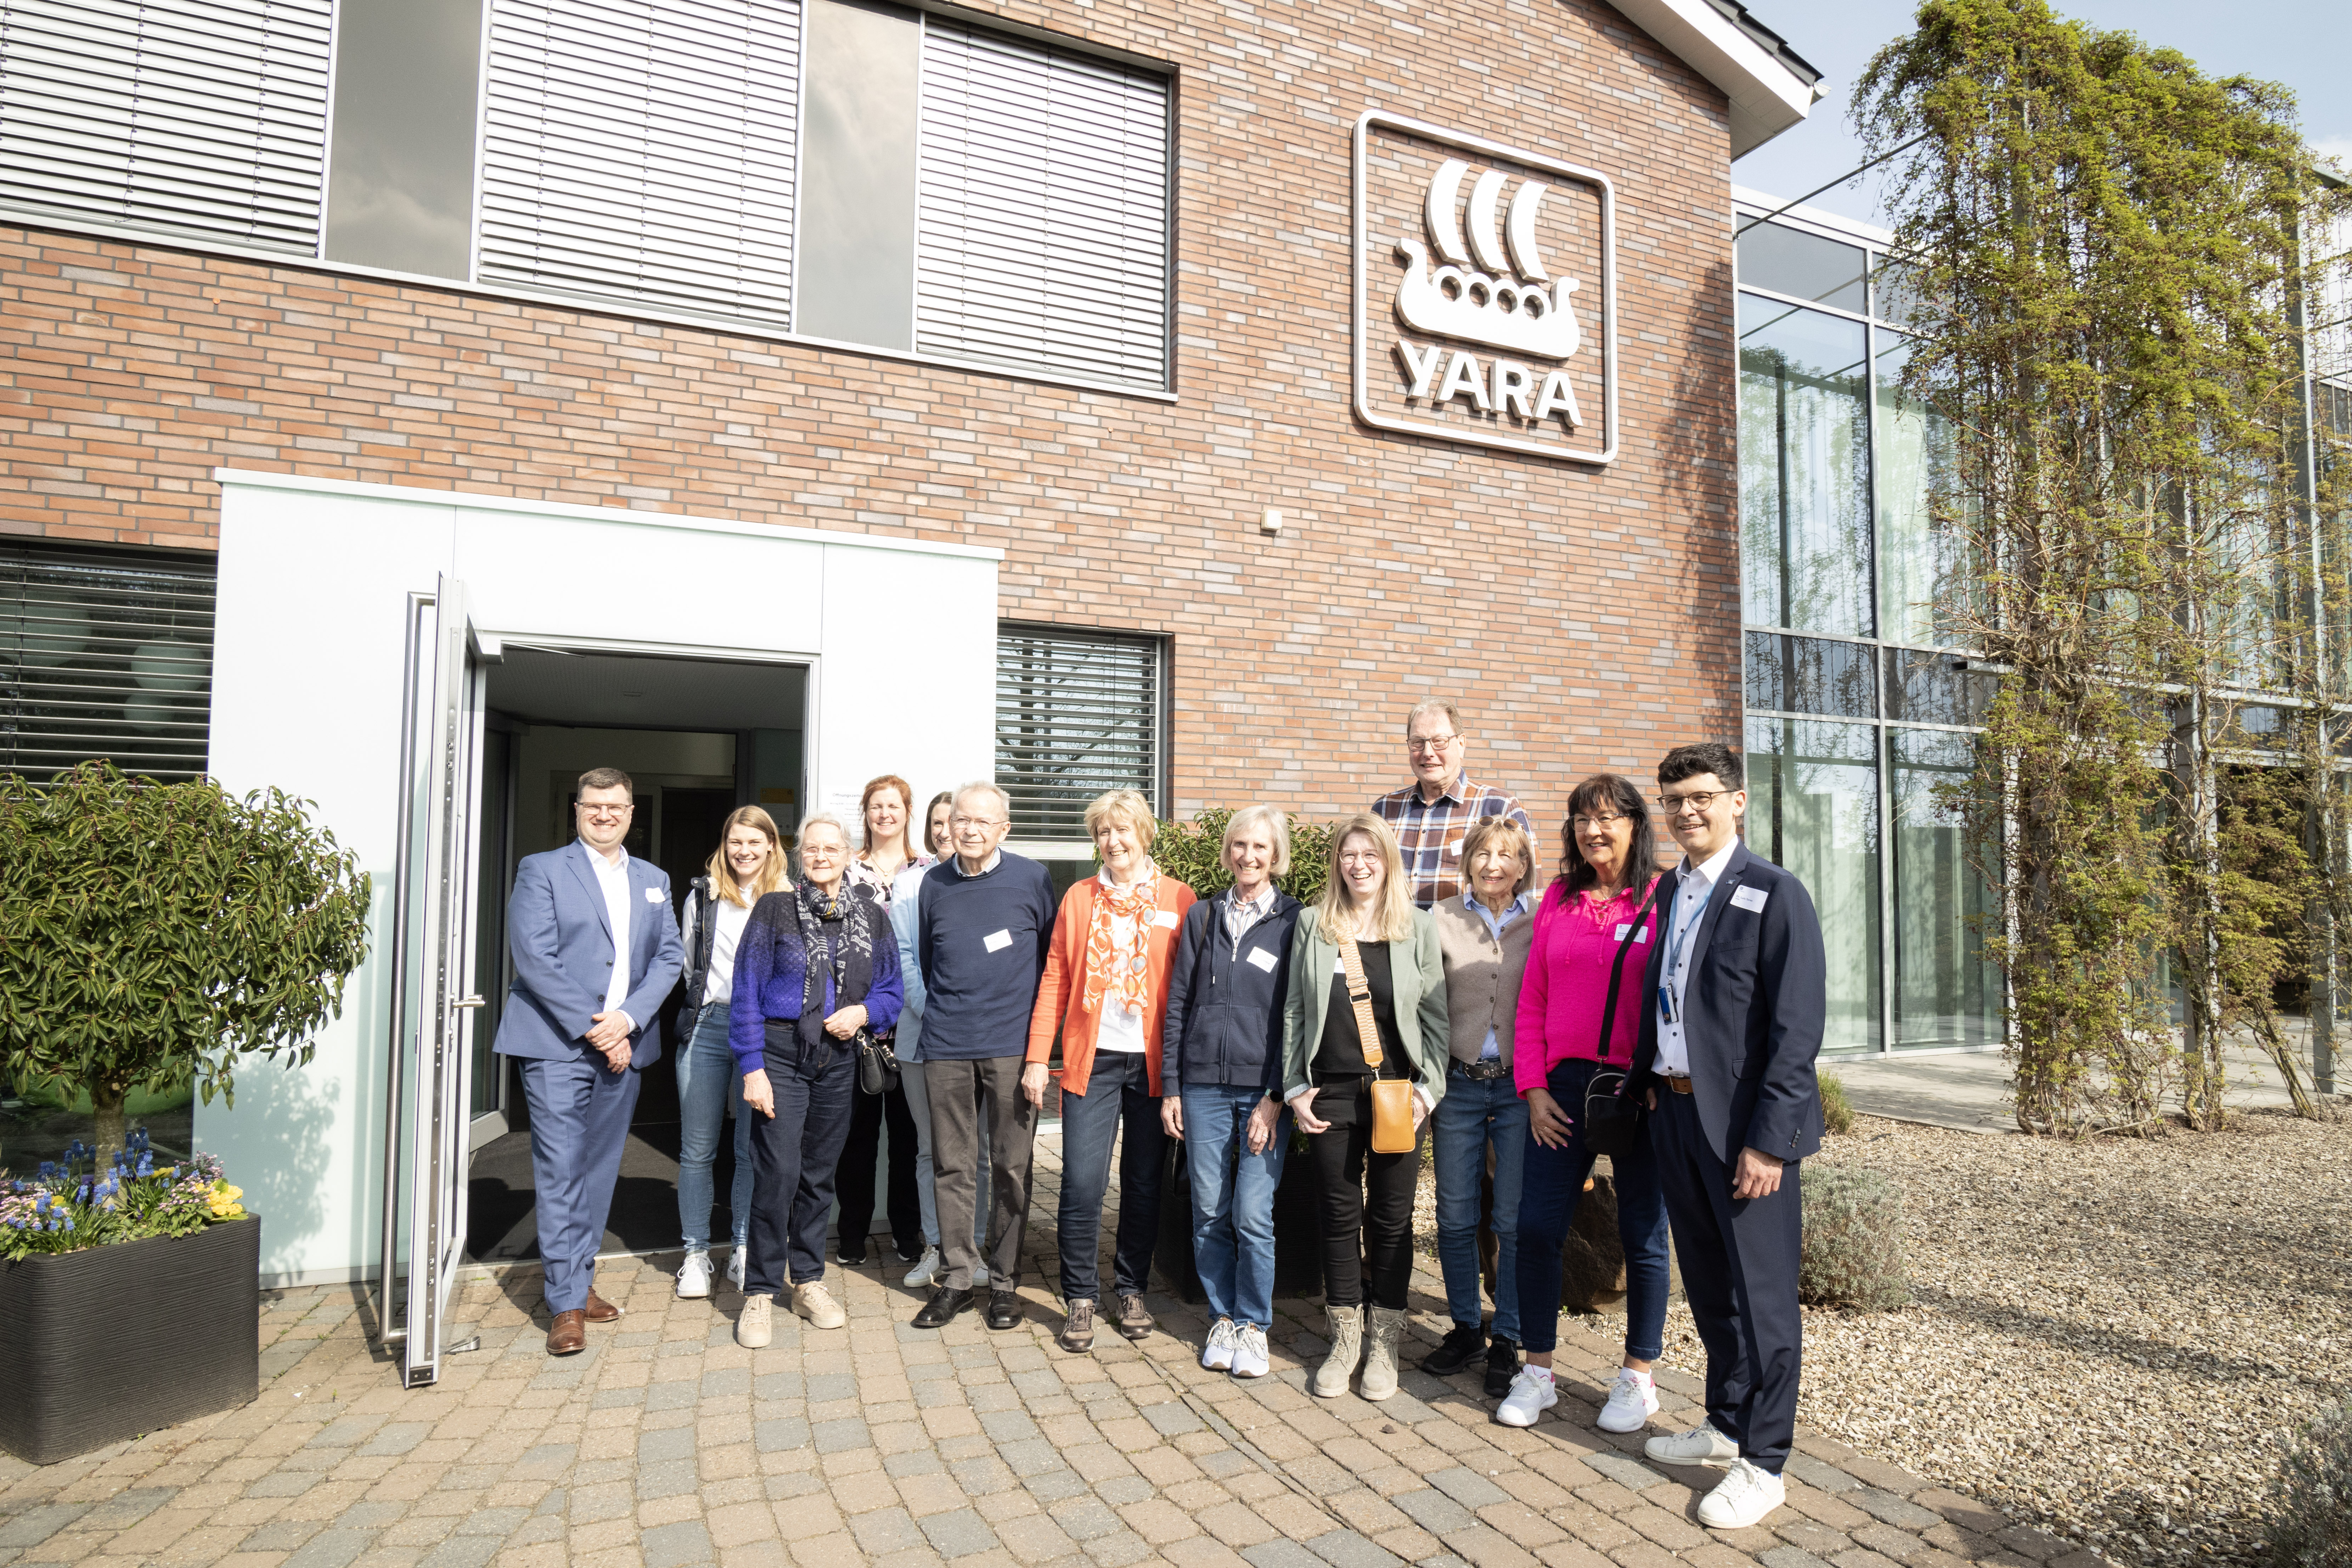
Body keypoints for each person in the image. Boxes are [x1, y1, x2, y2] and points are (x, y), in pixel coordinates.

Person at [1627, 742, 1826, 1529]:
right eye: (1674, 800)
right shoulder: (1669, 891)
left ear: (1737, 801)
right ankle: (1726, 1418)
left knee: (1764, 1298)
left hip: (1745, 1132)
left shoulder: (1773, 893)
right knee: (1709, 1285)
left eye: (1702, 796)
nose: (1687, 811)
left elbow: (1795, 1028)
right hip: (1676, 1115)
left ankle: (1764, 1460)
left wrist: (1771, 1141)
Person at [1494, 774, 1673, 1437]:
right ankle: (1536, 1371)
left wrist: (1661, 1076)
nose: (1592, 830)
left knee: (1642, 1235)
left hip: (1640, 1091)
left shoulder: (1665, 896)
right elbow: (1532, 998)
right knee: (1537, 1228)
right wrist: (1533, 1088)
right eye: (1580, 819)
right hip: (1562, 1090)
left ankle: (1637, 1378)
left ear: (1633, 823)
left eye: (1606, 817)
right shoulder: (1559, 901)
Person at [493, 768, 684, 1356]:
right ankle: (566, 1305)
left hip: (623, 1045)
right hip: (558, 1046)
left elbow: (670, 957)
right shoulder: (542, 869)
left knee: (599, 1171)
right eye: (593, 806)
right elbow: (534, 958)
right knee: (559, 1171)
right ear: (577, 810)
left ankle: (578, 1280)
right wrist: (599, 1029)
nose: (605, 815)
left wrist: (627, 1021)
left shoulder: (652, 879)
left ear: (631, 813)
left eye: (616, 806)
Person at [1281, 813, 1447, 1402]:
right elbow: (1295, 1013)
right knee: (1337, 1215)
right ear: (1337, 864)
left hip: (1399, 1094)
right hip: (1328, 1093)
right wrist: (1294, 1087)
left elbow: (1433, 1018)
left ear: (1387, 862)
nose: (1359, 865)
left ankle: (1385, 1343)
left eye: (1370, 855)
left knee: (1391, 1220)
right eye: (1349, 855)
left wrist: (1431, 1089)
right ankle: (1344, 1338)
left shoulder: (1416, 927)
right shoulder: (1312, 925)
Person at [1024, 790, 1196, 1353]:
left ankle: (1130, 1288)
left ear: (1144, 834)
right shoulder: (1079, 897)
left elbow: (1189, 990)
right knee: (1080, 1182)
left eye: (1122, 831)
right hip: (1090, 1060)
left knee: (1144, 1184)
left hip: (1151, 1063)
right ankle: (1079, 1296)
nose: (1113, 841)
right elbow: (1054, 978)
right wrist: (1036, 1056)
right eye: (1103, 832)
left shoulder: (1179, 898)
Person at [726, 813, 903, 1348]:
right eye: (812, 848)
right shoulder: (774, 909)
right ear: (800, 855)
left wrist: (863, 1012)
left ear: (849, 855)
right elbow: (746, 991)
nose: (821, 856)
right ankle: (759, 1290)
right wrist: (752, 1067)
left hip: (840, 1055)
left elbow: (893, 990)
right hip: (780, 1053)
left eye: (832, 848)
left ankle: (807, 1281)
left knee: (819, 1173)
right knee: (777, 1170)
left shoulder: (872, 917)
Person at [1162, 805, 1301, 1380]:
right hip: (1201, 1088)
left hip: (1262, 1092)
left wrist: (1276, 1095)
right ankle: (1222, 1317)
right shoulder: (1201, 916)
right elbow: (1177, 1005)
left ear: (1276, 857)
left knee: (1251, 1213)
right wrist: (1171, 1087)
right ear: (1228, 851)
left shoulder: (1296, 921)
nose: (1248, 856)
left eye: (1260, 848)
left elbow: (1296, 1016)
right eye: (1239, 845)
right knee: (1207, 1211)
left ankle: (1253, 1325)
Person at [911, 782, 1056, 1331]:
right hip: (947, 1044)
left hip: (1011, 1048)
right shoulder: (933, 884)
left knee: (1010, 1166)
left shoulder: (1032, 879)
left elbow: (1049, 963)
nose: (968, 830)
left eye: (981, 822)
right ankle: (956, 1279)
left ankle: (1004, 1282)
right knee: (952, 1165)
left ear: (1004, 829)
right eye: (960, 820)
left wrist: (1040, 1048)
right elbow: (932, 962)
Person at [1423, 816, 1537, 1399]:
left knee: (1512, 1219)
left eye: (1506, 855)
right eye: (1483, 853)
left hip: (1520, 1089)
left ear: (1522, 866)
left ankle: (1509, 1337)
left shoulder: (1539, 921)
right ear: (1466, 861)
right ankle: (1466, 1326)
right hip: (1458, 1085)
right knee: (1455, 1213)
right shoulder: (1441, 918)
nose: (1494, 864)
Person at [672, 805, 790, 1300]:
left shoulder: (787, 899)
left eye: (753, 841)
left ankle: (742, 1247)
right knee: (698, 1149)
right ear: (725, 844)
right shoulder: (703, 896)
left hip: (763, 1034)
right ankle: (696, 1254)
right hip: (709, 1023)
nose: (743, 850)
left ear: (770, 846)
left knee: (750, 1150)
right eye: (735, 841)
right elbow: (687, 964)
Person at [835, 775, 928, 1270]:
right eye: (876, 806)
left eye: (893, 806)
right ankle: (852, 1232)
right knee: (857, 1139)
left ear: (906, 811)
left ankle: (907, 1231)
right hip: (859, 1027)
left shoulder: (929, 870)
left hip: (913, 1026)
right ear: (866, 813)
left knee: (911, 1140)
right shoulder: (847, 870)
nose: (884, 814)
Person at [894, 791, 983, 1290]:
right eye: (937, 822)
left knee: (979, 1150)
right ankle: (937, 1245)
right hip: (923, 1034)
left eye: (953, 821)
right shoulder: (911, 884)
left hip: (981, 1040)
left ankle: (976, 1246)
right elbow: (906, 955)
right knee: (933, 1149)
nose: (946, 830)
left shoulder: (988, 884)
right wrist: (939, 1012)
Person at [1371, 698, 1534, 909]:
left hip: (1466, 940)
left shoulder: (1500, 807)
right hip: (1392, 939)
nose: (1428, 752)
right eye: (1418, 742)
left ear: (1462, 744)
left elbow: (1529, 894)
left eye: (1439, 741)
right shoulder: (1385, 810)